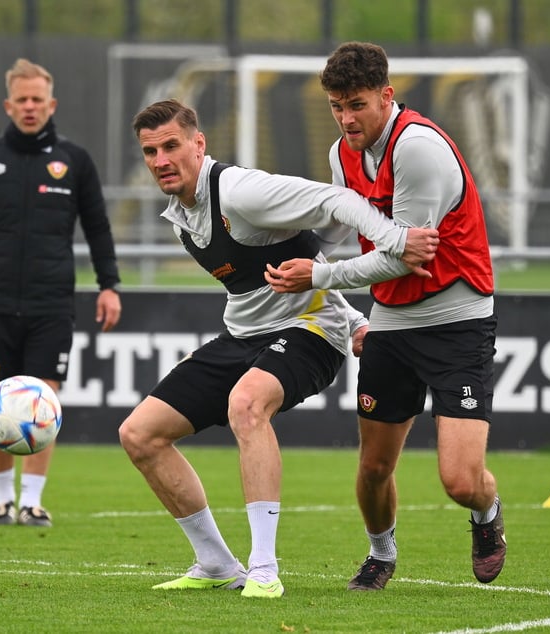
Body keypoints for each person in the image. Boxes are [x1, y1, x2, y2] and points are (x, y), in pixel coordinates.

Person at [119, 99, 439, 599]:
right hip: (243, 337)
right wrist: (356, 316)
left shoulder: (241, 191)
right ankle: (215, 564)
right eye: (150, 151)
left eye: (172, 146)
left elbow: (339, 202)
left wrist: (396, 240)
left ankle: (263, 568)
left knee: (246, 404)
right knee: (139, 434)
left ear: (198, 145)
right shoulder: (181, 212)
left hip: (311, 332)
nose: (161, 159)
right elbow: (299, 250)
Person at [266, 41, 505, 590]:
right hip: (392, 321)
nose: (347, 119)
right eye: (336, 106)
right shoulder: (340, 154)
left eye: (357, 104)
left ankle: (487, 514)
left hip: (457, 319)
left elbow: (404, 257)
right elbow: (356, 241)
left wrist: (318, 276)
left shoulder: (417, 147)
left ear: (386, 96)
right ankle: (381, 554)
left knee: (460, 481)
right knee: (374, 469)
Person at [0, 58, 122, 527]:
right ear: (9, 105)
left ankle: (33, 500)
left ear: (51, 103)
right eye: (23, 99)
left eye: (38, 99)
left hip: (52, 298)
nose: (31, 106)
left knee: (45, 396)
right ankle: (0, 498)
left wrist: (109, 286)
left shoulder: (74, 161)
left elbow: (97, 228)